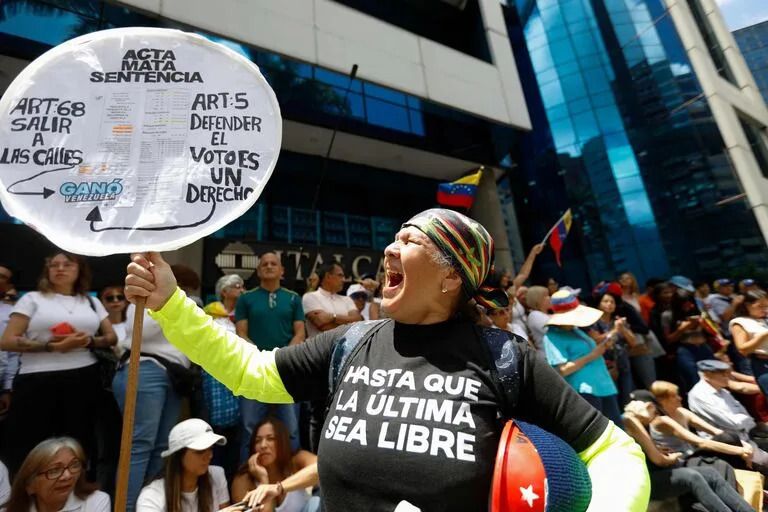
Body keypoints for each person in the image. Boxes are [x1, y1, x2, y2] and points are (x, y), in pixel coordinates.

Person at [125, 208, 650, 511]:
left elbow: (616, 453)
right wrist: (172, 305)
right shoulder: (353, 341)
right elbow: (253, 372)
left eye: (410, 240)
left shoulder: (507, 359)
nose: (389, 250)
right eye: (393, 238)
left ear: (451, 276)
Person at [0, 252, 117, 478]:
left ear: (79, 270)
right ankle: (25, 496)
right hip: (37, 377)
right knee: (29, 442)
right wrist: (50, 347)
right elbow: (6, 340)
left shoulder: (91, 302)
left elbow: (111, 337)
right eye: (54, 264)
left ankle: (76, 492)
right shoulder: (32, 299)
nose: (60, 268)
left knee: (80, 439)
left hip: (84, 377)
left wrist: (89, 340)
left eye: (67, 264)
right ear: (47, 270)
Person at [113, 290, 191, 511]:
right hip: (145, 368)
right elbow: (143, 332)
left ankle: (148, 505)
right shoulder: (139, 298)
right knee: (138, 444)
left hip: (174, 376)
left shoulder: (181, 300)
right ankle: (126, 508)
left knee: (162, 447)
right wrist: (171, 310)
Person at [622, 400, 753, 512]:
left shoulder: (634, 422)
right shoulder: (631, 421)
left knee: (710, 473)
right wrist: (673, 457)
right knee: (691, 477)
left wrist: (659, 451)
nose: (655, 416)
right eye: (653, 412)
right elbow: (660, 461)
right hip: (643, 482)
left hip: (652, 473)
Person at [235, 252, 305, 459]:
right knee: (249, 428)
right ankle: (246, 481)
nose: (269, 266)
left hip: (286, 368)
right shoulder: (246, 298)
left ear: (282, 271)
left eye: (274, 263)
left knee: (291, 429)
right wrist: (261, 358)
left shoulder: (293, 298)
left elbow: (300, 332)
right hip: (254, 368)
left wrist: (282, 357)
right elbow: (241, 332)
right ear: (258, 271)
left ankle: (293, 486)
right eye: (264, 264)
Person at [542, 289, 623, 426]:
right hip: (585, 391)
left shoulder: (576, 330)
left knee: (619, 431)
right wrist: (593, 355)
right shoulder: (551, 336)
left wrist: (602, 346)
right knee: (601, 434)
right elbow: (562, 370)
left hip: (603, 385)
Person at [136, 419, 243, 512]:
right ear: (178, 455)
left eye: (211, 448)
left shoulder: (216, 475)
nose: (209, 455)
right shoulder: (151, 496)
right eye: (200, 451)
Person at [649, 382, 756, 468]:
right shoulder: (662, 421)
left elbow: (716, 431)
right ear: (661, 400)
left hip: (692, 453)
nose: (680, 398)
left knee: (729, 436)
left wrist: (743, 444)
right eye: (674, 396)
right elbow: (701, 443)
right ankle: (748, 472)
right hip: (680, 460)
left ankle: (747, 471)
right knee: (730, 449)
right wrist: (740, 451)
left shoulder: (681, 412)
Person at [203, 275, 245, 480]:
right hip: (215, 377)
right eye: (236, 286)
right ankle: (214, 475)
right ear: (224, 292)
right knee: (217, 427)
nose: (241, 289)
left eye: (242, 286)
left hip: (238, 374)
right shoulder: (210, 312)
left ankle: (232, 477)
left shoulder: (244, 314)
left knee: (238, 428)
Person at [231, 418, 319, 512]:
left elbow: (322, 470)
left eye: (270, 438)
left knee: (316, 501)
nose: (263, 445)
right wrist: (264, 480)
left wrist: (279, 487)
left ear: (282, 441)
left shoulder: (296, 461)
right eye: (258, 440)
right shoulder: (243, 480)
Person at [4, 437, 110, 512]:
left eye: (74, 465)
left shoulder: (96, 502)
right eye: (54, 471)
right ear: (30, 485)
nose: (67, 476)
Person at [688, 360, 768, 455]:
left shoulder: (723, 391)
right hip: (727, 446)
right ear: (707, 376)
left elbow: (747, 418)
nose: (728, 378)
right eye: (723, 375)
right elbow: (734, 423)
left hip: (745, 438)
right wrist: (745, 420)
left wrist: (745, 421)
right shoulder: (700, 395)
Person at [663, 276, 714, 390]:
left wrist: (704, 324)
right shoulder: (668, 316)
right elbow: (668, 339)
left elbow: (713, 330)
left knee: (714, 376)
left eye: (690, 302)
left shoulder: (699, 312)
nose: (689, 306)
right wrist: (682, 329)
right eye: (685, 303)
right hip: (686, 350)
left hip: (704, 347)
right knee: (695, 380)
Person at [590, 290, 636, 407]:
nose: (609, 304)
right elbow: (596, 340)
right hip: (606, 365)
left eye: (612, 302)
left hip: (623, 363)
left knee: (627, 397)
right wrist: (615, 330)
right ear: (599, 304)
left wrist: (622, 328)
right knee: (613, 399)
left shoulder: (618, 320)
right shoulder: (594, 322)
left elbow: (633, 341)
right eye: (605, 301)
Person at [730, 289, 768, 394]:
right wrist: (764, 335)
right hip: (763, 364)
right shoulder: (740, 322)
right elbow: (743, 350)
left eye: (766, 306)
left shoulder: (765, 319)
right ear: (747, 305)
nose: (765, 309)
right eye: (760, 306)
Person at [100, 285, 128, 352]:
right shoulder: (99, 328)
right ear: (102, 302)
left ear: (126, 301)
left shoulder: (133, 323)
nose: (115, 300)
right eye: (110, 298)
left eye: (120, 297)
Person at [524, 286, 550, 352]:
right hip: (548, 356)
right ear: (537, 300)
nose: (549, 297)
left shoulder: (547, 313)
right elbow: (553, 330)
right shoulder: (534, 315)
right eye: (545, 296)